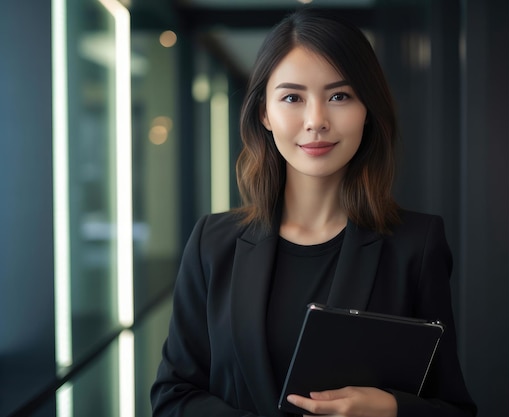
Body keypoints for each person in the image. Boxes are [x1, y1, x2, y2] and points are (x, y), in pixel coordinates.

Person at [151, 7, 476, 417]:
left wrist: (392, 410)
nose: (316, 121)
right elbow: (172, 396)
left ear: (367, 110)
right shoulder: (213, 243)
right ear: (265, 114)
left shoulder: (417, 245)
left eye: (339, 96)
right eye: (292, 97)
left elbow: (454, 409)